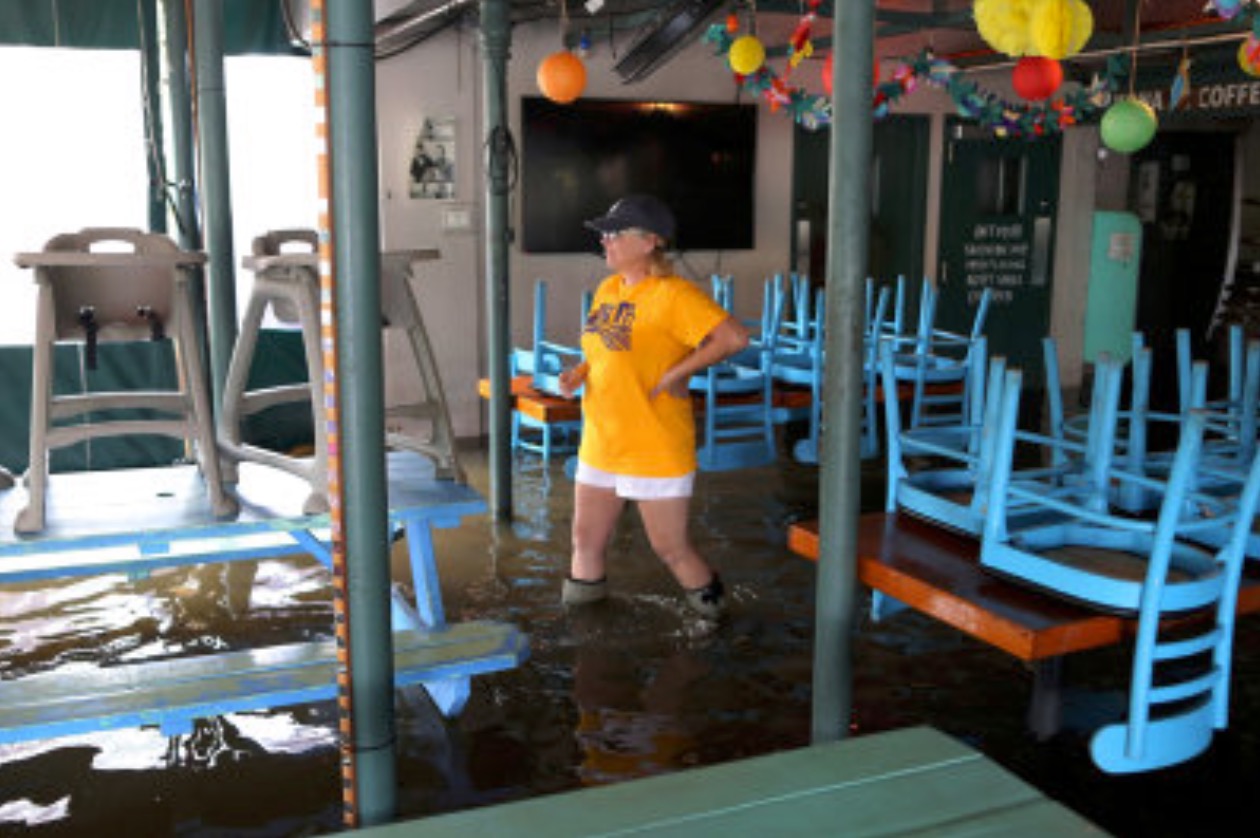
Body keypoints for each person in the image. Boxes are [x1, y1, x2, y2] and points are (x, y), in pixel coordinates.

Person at [557, 194, 750, 619]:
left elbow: (734, 338)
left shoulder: (674, 295)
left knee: (671, 549)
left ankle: (718, 621)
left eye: (615, 234)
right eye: (605, 234)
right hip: (602, 439)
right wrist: (580, 372)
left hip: (655, 443)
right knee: (585, 541)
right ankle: (583, 636)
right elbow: (607, 350)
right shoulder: (609, 289)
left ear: (650, 242)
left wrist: (678, 373)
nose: (605, 241)